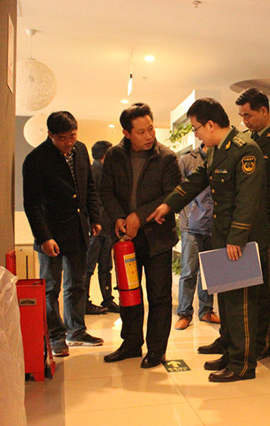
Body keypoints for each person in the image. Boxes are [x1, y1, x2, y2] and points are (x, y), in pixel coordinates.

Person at [148, 97, 270, 382]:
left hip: (241, 240)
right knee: (225, 301)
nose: (196, 134)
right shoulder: (217, 151)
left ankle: (243, 365)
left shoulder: (245, 150)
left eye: (197, 128)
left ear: (211, 124)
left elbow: (248, 199)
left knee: (240, 303)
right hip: (223, 236)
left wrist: (237, 237)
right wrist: (168, 205)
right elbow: (196, 181)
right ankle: (230, 352)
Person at [198, 88, 270, 359]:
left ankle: (262, 342)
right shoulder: (243, 141)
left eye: (248, 115)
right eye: (241, 116)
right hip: (240, 226)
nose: (244, 121)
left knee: (264, 288)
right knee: (232, 286)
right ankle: (230, 340)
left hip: (262, 228)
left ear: (264, 111)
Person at [99, 103, 182, 369]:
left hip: (157, 239)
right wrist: (118, 217)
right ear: (126, 133)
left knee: (159, 296)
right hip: (126, 239)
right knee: (129, 293)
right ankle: (131, 344)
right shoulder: (114, 156)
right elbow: (106, 191)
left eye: (151, 129)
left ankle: (156, 350)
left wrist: (139, 215)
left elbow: (172, 196)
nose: (149, 136)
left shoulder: (166, 158)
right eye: (141, 132)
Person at [23, 111, 104, 357]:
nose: (68, 142)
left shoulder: (81, 150)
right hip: (51, 233)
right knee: (51, 287)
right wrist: (44, 237)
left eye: (72, 136)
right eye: (62, 138)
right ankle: (56, 336)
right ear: (50, 135)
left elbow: (89, 187)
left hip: (78, 229)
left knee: (77, 283)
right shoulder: (36, 159)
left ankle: (76, 331)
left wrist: (95, 217)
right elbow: (32, 204)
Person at [175, 143, 220, 330]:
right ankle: (184, 313)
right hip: (192, 226)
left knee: (210, 271)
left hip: (215, 225)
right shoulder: (187, 160)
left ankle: (206, 310)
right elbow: (177, 191)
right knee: (188, 272)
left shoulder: (222, 158)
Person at [84, 140, 120, 315]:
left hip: (103, 227)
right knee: (90, 267)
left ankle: (107, 299)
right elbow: (95, 202)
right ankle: (85, 303)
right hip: (97, 228)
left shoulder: (101, 172)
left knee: (105, 266)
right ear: (106, 155)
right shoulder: (95, 172)